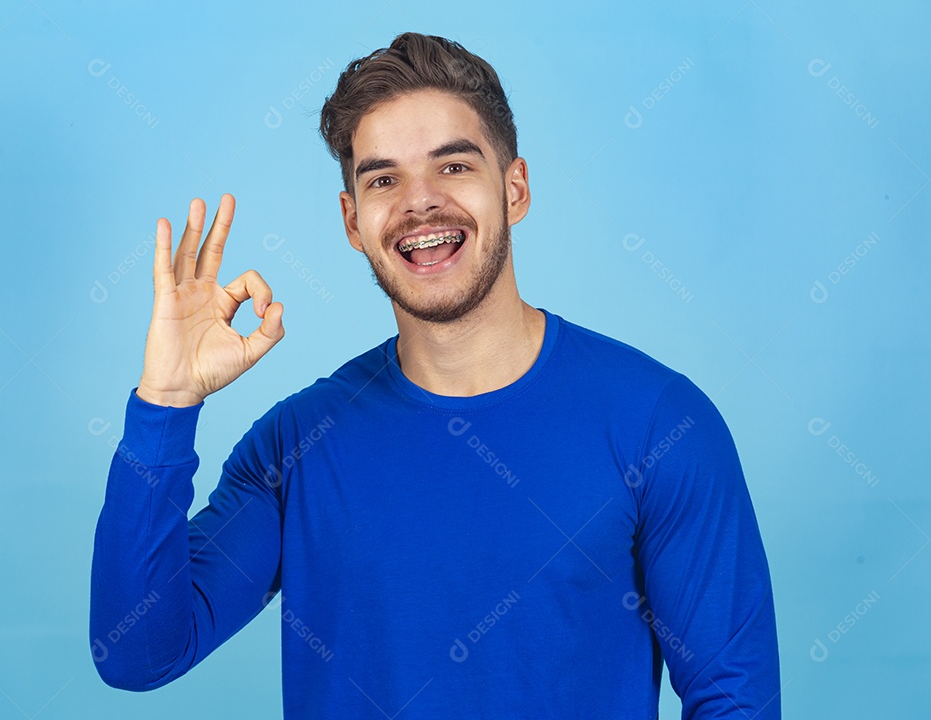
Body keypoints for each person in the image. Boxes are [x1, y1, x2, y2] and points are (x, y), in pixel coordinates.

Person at [90, 32, 781, 718]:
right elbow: (137, 654)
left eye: (453, 167)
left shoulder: (660, 424)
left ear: (515, 190)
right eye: (384, 179)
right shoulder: (297, 444)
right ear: (353, 221)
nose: (419, 204)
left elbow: (734, 699)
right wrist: (165, 405)